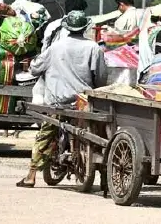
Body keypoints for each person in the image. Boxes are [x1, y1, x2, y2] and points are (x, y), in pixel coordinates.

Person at [16, 10, 107, 188]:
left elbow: (35, 68)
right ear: (84, 28)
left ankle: (31, 176)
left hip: (57, 102)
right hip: (83, 103)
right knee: (96, 133)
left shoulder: (56, 47)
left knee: (45, 136)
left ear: (67, 27)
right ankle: (103, 177)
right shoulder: (94, 48)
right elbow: (101, 77)